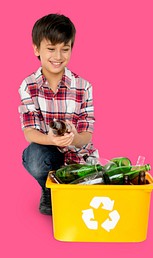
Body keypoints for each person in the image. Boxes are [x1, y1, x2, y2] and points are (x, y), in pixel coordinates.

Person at [18, 13, 99, 215]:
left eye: (65, 49)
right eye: (51, 49)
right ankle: (48, 189)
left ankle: (65, 186)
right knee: (34, 157)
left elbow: (87, 134)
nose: (58, 56)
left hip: (79, 156)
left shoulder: (84, 86)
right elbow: (29, 132)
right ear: (37, 49)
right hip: (48, 154)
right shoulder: (28, 86)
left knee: (84, 207)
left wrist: (74, 137)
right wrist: (52, 140)